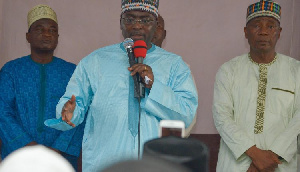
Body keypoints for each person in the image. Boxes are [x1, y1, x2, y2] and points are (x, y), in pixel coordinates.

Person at [45, 0, 198, 171]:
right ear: (120, 23)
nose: (137, 26)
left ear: (156, 24)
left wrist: (153, 86)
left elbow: (186, 114)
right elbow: (73, 104)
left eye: (145, 20)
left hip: (156, 164)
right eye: (130, 19)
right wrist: (68, 112)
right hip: (106, 162)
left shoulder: (174, 65)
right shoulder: (95, 61)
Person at [213, 0, 300, 171]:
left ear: (279, 32)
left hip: (280, 164)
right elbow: (221, 116)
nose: (264, 32)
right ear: (246, 32)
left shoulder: (296, 70)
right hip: (236, 164)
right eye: (256, 26)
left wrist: (270, 159)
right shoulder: (228, 70)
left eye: (271, 26)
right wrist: (255, 155)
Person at [0, 4, 84, 170]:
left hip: (61, 159)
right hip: (18, 157)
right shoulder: (11, 71)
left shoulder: (73, 72)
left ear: (58, 37)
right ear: (28, 36)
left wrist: (55, 151)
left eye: (52, 30)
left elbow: (79, 114)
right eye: (40, 29)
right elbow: (3, 113)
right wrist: (30, 148)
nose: (47, 34)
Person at [0, 145, 75, 172]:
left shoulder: (59, 166)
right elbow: (4, 114)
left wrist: (59, 145)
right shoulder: (13, 164)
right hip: (14, 148)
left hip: (64, 153)